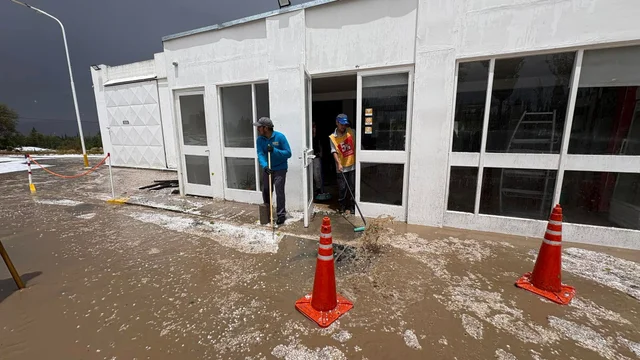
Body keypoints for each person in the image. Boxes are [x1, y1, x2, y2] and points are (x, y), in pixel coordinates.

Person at [254, 117, 292, 225]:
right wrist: (265, 166)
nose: (257, 129)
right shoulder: (260, 140)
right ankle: (268, 213)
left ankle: (281, 215)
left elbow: (288, 153)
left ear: (265, 128)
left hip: (280, 168)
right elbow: (260, 153)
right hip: (268, 168)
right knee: (266, 190)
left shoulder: (280, 137)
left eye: (259, 127)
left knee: (279, 191)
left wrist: (274, 151)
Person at [329, 114, 356, 214]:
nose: (343, 127)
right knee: (342, 188)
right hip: (341, 167)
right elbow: (334, 151)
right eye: (341, 125)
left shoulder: (351, 132)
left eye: (345, 124)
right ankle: (342, 207)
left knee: (352, 187)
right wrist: (338, 164)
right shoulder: (333, 137)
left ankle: (353, 207)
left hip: (352, 165)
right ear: (337, 123)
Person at [312, 122, 323, 196]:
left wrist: (321, 153)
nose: (313, 128)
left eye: (314, 126)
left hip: (316, 157)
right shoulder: (307, 136)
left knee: (317, 174)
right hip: (309, 156)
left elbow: (320, 145)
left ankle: (319, 189)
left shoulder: (318, 136)